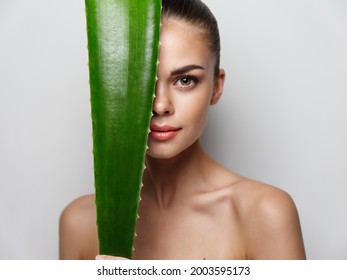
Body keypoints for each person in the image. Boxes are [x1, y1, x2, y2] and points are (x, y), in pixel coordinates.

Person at [59, 0, 306, 260]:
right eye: (141, 80)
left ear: (216, 87)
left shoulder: (264, 214)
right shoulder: (80, 223)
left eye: (185, 80)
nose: (161, 105)